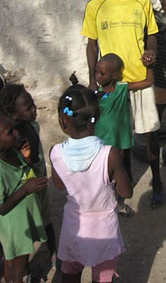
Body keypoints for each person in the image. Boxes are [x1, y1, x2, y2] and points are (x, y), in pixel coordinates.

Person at [81, 0, 165, 207]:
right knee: (120, 138)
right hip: (113, 86)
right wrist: (94, 80)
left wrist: (151, 52)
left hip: (139, 80)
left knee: (149, 133)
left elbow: (152, 35)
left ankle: (157, 182)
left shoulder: (141, 3)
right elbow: (92, 44)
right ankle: (123, 185)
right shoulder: (96, 6)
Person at [50, 83, 132, 283]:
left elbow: (60, 185)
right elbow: (126, 192)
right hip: (104, 230)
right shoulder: (109, 154)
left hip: (74, 227)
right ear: (96, 118)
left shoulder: (56, 153)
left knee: (69, 273)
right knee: (103, 278)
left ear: (63, 121)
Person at [0, 84, 56, 259]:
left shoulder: (31, 126)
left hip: (37, 184)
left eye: (33, 104)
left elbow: (31, 161)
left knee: (45, 220)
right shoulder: (10, 137)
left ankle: (54, 255)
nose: (34, 109)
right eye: (28, 107)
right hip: (23, 190)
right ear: (14, 113)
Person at [94, 53, 153, 216]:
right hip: (101, 140)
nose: (98, 76)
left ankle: (119, 202)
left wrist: (149, 67)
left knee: (119, 168)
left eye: (102, 73)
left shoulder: (121, 88)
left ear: (114, 75)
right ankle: (106, 200)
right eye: (96, 72)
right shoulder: (95, 93)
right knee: (104, 171)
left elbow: (148, 82)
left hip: (119, 138)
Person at [0, 114, 48, 283]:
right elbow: (1, 208)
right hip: (16, 228)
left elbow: (24, 172)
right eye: (10, 131)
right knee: (18, 266)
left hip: (23, 220)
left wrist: (26, 157)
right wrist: (26, 190)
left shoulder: (13, 151)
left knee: (12, 260)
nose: (16, 133)